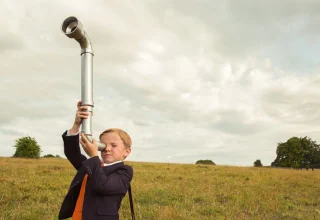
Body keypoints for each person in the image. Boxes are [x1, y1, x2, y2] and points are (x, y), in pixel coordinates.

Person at [58, 101, 133, 220]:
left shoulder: (124, 171)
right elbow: (73, 153)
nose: (107, 149)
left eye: (114, 145)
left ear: (126, 151)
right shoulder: (93, 165)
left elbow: (103, 185)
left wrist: (93, 156)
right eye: (103, 145)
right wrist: (76, 125)